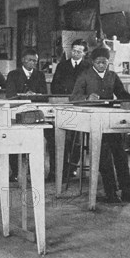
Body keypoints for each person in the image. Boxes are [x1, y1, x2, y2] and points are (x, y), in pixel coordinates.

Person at [70, 47, 130, 203]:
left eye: (105, 62)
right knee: (104, 155)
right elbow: (73, 97)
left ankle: (126, 191)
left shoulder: (112, 76)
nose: (102, 65)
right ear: (93, 62)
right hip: (93, 121)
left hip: (110, 120)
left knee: (120, 153)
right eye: (99, 62)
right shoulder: (85, 76)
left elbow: (122, 94)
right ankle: (111, 193)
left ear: (109, 62)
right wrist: (88, 97)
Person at [50, 39, 92, 180]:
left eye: (79, 51)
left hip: (80, 105)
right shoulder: (62, 65)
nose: (75, 53)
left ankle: (73, 167)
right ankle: (63, 167)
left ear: (84, 53)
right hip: (64, 104)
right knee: (63, 136)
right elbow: (55, 85)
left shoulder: (88, 66)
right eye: (73, 50)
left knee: (77, 137)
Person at [5, 49, 48, 181]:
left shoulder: (40, 75)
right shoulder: (13, 74)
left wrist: (35, 96)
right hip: (17, 110)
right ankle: (16, 172)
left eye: (35, 60)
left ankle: (36, 170)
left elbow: (44, 95)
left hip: (35, 111)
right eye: (30, 60)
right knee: (13, 138)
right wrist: (25, 96)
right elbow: (10, 95)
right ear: (23, 60)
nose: (33, 63)